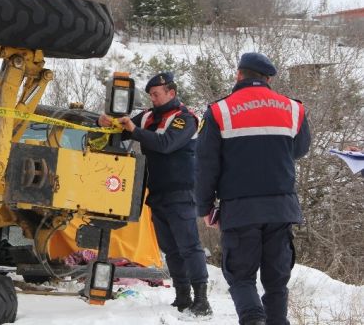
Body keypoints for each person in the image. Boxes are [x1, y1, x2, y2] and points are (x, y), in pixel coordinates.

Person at [195, 53, 311, 325]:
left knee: (241, 276)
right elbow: (300, 149)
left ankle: (252, 320)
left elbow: (205, 165)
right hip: (281, 208)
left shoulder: (219, 111)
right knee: (276, 280)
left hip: (241, 209)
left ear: (239, 75)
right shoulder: (294, 109)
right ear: (268, 79)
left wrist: (205, 206)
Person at [99, 72, 212, 316]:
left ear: (171, 93)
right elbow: (124, 129)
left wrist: (133, 129)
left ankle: (202, 298)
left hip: (181, 191)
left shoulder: (185, 118)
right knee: (170, 248)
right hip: (158, 193)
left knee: (189, 247)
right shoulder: (149, 116)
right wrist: (107, 122)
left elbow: (165, 144)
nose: (153, 99)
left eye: (157, 94)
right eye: (150, 95)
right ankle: (182, 295)